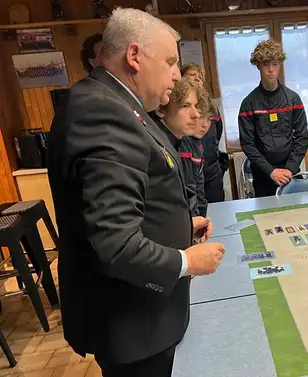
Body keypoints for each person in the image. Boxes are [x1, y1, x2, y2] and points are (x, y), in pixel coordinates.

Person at [46, 8, 226, 377]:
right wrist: (188, 262)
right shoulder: (102, 111)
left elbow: (131, 200)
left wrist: (178, 226)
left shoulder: (120, 105)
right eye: (171, 61)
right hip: (134, 325)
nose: (177, 75)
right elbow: (115, 244)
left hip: (145, 317)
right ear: (134, 56)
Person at [238, 39, 308, 197]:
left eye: (275, 64)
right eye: (265, 64)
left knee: (296, 217)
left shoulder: (293, 100)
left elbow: (302, 138)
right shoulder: (248, 104)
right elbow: (248, 144)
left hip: (291, 173)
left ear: (281, 64)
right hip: (263, 175)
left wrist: (290, 168)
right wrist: (271, 171)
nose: (270, 70)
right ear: (258, 65)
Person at [150, 79, 210, 217]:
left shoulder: (179, 143)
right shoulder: (155, 148)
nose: (195, 114)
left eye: (195, 106)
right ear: (161, 109)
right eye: (185, 106)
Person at [182, 63, 227, 202]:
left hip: (211, 170)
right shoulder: (181, 111)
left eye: (200, 77)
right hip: (189, 171)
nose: (196, 79)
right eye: (192, 75)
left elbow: (218, 132)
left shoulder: (212, 108)